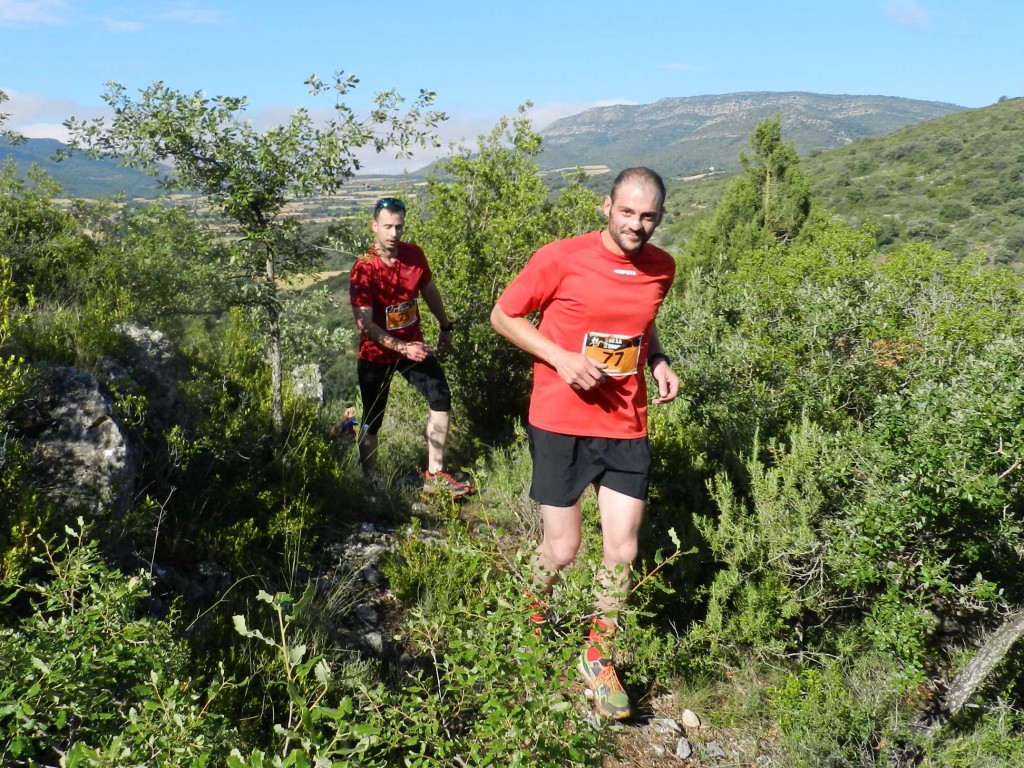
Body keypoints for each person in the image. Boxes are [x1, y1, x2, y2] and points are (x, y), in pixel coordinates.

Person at [490, 167, 679, 719]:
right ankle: (528, 624)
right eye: (627, 212)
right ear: (607, 206)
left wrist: (660, 359)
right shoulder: (560, 258)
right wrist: (561, 357)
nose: (636, 225)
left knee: (622, 549)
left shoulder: (661, 268)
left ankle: (597, 655)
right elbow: (503, 316)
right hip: (560, 422)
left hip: (625, 423)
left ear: (659, 218)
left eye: (648, 216)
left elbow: (641, 326)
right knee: (564, 549)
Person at [349, 196, 472, 496]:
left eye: (399, 227)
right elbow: (365, 325)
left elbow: (428, 289)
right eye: (387, 227)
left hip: (411, 348)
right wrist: (403, 349)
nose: (393, 234)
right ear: (374, 226)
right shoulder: (364, 269)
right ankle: (371, 481)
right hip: (377, 356)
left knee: (440, 398)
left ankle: (436, 473)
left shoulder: (414, 255)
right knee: (372, 419)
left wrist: (445, 326)